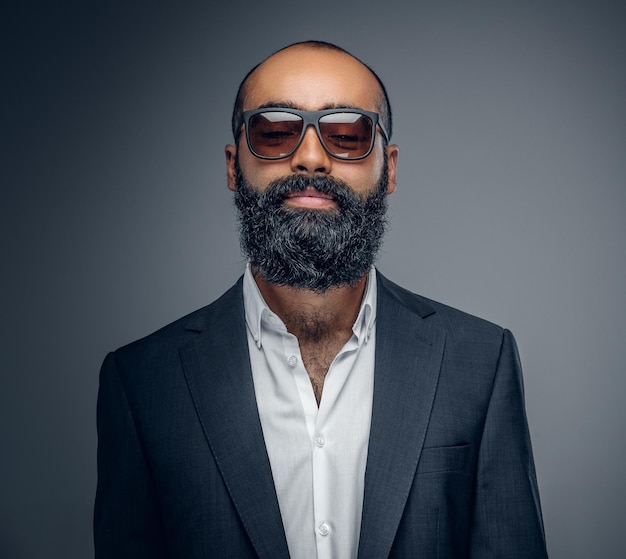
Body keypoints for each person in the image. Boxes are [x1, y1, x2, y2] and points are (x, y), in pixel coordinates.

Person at [94, 40, 549, 558]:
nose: (310, 157)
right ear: (232, 165)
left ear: (389, 168)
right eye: (275, 132)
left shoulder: (480, 364)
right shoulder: (141, 385)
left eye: (347, 135)